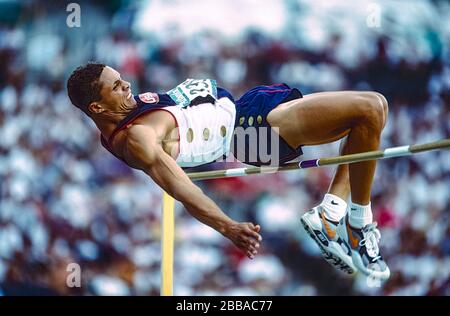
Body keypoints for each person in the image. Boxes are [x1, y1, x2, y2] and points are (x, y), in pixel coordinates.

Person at [67, 62, 390, 281]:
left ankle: (333, 211)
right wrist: (229, 227)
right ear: (98, 108)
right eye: (117, 87)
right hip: (252, 131)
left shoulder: (131, 111)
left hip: (248, 107)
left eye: (122, 78)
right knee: (369, 109)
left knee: (373, 110)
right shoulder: (136, 139)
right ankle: (357, 220)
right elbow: (183, 189)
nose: (127, 84)